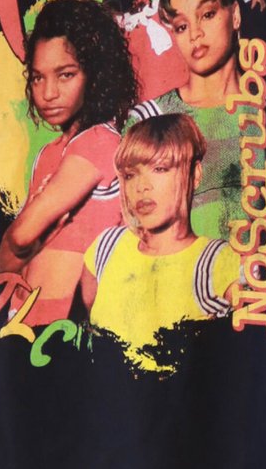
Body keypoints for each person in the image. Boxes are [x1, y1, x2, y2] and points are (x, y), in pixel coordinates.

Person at [0, 0, 139, 328]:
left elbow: (20, 237)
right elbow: (3, 262)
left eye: (65, 75)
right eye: (38, 77)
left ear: (95, 74)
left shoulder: (100, 141)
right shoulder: (48, 154)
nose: (48, 93)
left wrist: (33, 232)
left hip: (67, 326)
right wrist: (38, 233)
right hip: (23, 319)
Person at [82, 113, 243, 375]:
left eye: (160, 169)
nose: (142, 186)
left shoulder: (217, 262)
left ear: (195, 174)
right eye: (131, 174)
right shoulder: (105, 247)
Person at [126, 0, 263, 241]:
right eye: (181, 26)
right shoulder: (149, 119)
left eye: (207, 15)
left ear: (235, 15)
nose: (195, 34)